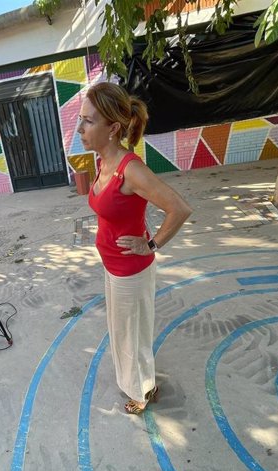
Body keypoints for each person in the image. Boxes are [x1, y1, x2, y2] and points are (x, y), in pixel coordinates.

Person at [78, 82, 193, 414]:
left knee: (133, 338)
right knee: (121, 332)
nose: (81, 129)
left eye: (88, 121)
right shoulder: (103, 162)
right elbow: (111, 211)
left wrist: (151, 244)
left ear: (112, 128)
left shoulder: (131, 169)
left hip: (131, 271)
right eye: (81, 120)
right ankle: (137, 383)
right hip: (112, 265)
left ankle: (143, 391)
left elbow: (180, 208)